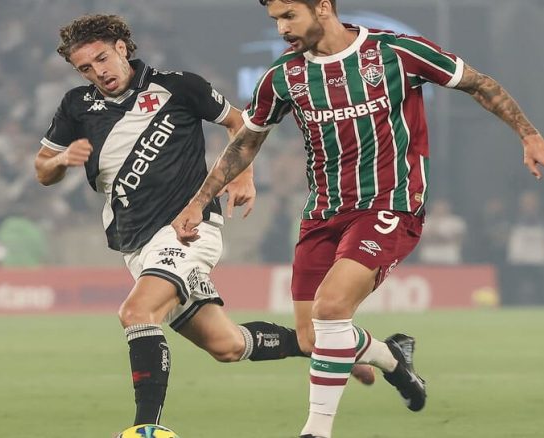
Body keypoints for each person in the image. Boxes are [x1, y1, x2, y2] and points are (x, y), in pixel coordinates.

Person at [170, 1, 544, 437]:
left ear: (323, 8)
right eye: (276, 20)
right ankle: (393, 359)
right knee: (311, 339)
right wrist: (198, 202)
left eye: (289, 16)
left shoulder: (395, 53)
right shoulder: (283, 76)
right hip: (324, 212)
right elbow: (247, 141)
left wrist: (531, 137)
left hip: (390, 203)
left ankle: (315, 431)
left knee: (331, 308)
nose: (282, 28)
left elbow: (478, 84)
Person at [32, 14, 374, 430]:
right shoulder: (76, 105)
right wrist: (61, 161)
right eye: (85, 68)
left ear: (121, 47)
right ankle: (344, 349)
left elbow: (239, 123)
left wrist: (243, 174)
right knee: (225, 345)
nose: (98, 72)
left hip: (187, 228)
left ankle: (146, 429)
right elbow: (42, 169)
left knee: (137, 312)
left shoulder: (179, 86)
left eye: (102, 59)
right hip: (136, 241)